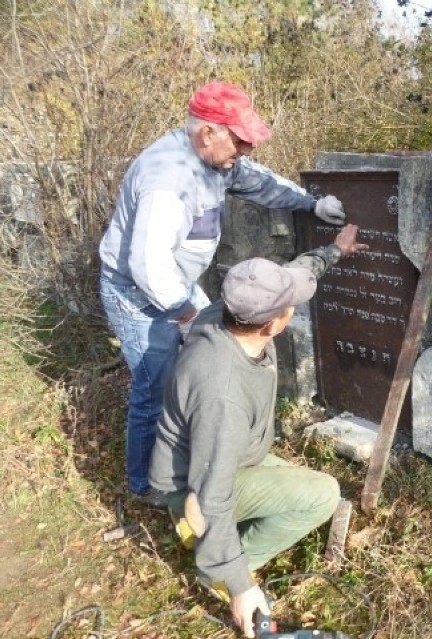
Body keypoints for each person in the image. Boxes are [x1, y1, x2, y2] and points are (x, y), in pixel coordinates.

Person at [99, 80, 347, 503]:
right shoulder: (167, 181)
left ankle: (205, 454)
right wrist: (184, 312)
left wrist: (311, 203)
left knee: (208, 361)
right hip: (139, 296)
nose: (246, 150)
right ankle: (149, 489)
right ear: (207, 131)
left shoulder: (215, 161)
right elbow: (148, 265)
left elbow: (256, 181)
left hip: (176, 284)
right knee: (155, 389)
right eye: (240, 140)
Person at [148, 224, 367, 637]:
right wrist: (239, 586)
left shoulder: (227, 311)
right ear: (273, 325)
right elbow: (212, 491)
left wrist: (334, 251)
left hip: (231, 454)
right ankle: (222, 565)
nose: (295, 309)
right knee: (322, 494)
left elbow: (292, 276)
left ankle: (200, 534)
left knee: (294, 481)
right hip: (194, 481)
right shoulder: (222, 395)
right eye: (291, 309)